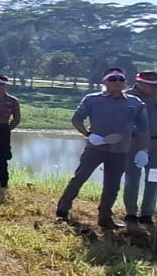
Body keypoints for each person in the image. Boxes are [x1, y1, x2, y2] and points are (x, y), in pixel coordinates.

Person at [55, 68, 148, 228]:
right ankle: (62, 210)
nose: (117, 82)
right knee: (79, 178)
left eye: (120, 79)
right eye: (113, 79)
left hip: (120, 151)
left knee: (112, 185)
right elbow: (76, 119)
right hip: (95, 149)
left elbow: (144, 129)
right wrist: (88, 134)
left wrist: (143, 150)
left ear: (125, 83)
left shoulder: (135, 103)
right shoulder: (92, 99)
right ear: (104, 82)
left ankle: (105, 217)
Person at [122, 70, 157, 226]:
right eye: (150, 85)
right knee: (132, 178)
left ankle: (147, 213)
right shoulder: (127, 97)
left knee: (154, 178)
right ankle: (131, 212)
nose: (154, 89)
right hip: (133, 142)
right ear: (139, 83)